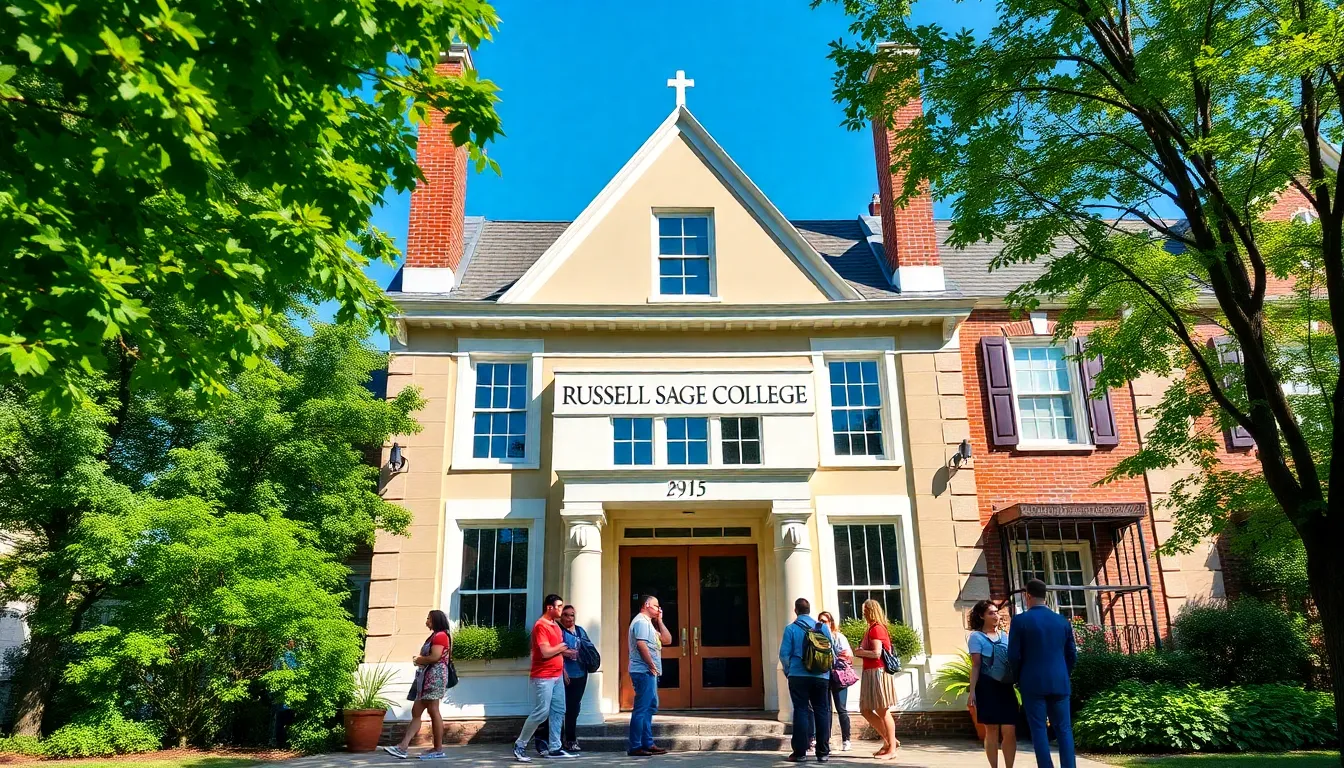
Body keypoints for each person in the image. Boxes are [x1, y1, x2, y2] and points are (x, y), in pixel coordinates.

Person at [1007, 579, 1077, 768]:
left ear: (1027, 595)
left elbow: (1013, 655)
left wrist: (1017, 677)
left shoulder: (1020, 621)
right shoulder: (1062, 621)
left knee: (1038, 729)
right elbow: (1072, 654)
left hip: (1032, 681)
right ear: (1045, 596)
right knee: (1064, 729)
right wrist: (1064, 673)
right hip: (1059, 681)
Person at [513, 595, 579, 762]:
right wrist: (563, 647)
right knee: (542, 712)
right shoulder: (541, 626)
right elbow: (545, 652)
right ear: (549, 608)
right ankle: (520, 745)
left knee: (559, 710)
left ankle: (555, 747)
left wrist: (563, 663)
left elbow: (555, 651)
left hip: (557, 675)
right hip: (543, 676)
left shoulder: (555, 626)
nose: (561, 610)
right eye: (558, 607)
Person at [383, 610, 452, 760]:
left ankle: (438, 749)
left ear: (435, 620)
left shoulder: (440, 636)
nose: (426, 622)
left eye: (428, 619)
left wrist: (419, 659)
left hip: (435, 678)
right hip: (426, 678)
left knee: (433, 710)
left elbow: (435, 657)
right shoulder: (434, 636)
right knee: (416, 711)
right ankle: (403, 746)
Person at [779, 598, 834, 763]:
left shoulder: (791, 629)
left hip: (798, 675)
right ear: (809, 610)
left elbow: (783, 654)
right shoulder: (822, 627)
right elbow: (832, 651)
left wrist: (789, 671)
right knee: (822, 711)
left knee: (801, 710)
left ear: (795, 610)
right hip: (820, 676)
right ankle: (823, 752)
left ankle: (800, 752)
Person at [534, 605, 591, 754]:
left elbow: (586, 648)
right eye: (566, 615)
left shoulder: (580, 631)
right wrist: (563, 669)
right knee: (554, 708)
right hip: (562, 675)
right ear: (561, 617)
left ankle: (570, 740)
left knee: (573, 709)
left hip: (580, 673)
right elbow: (553, 651)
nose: (569, 618)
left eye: (572, 615)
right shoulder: (557, 631)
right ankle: (547, 740)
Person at [967, 600, 1018, 768]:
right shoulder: (976, 637)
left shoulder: (1005, 636)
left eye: (996, 612)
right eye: (991, 613)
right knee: (992, 730)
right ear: (981, 616)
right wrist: (972, 691)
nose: (996, 615)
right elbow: (976, 665)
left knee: (1010, 730)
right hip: (987, 687)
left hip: (1005, 687)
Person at [852, 599, 899, 760]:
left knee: (883, 710)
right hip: (870, 672)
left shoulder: (877, 629)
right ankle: (889, 741)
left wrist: (859, 652)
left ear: (871, 611)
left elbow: (876, 653)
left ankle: (892, 747)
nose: (863, 613)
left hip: (878, 672)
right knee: (865, 709)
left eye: (865, 610)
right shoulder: (871, 628)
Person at [627, 595, 673, 757]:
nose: (659, 609)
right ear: (646, 605)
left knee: (649, 707)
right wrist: (651, 665)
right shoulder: (640, 622)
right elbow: (641, 645)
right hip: (643, 671)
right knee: (641, 709)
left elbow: (667, 639)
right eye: (656, 605)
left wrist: (659, 621)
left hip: (649, 672)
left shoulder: (649, 624)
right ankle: (636, 746)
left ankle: (648, 743)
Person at [817, 611, 853, 753]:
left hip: (838, 675)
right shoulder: (818, 638)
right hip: (824, 676)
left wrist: (839, 655)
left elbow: (848, 654)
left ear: (831, 623)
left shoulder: (839, 637)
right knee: (826, 710)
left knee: (841, 709)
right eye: (820, 621)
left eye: (825, 621)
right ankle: (826, 740)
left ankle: (846, 739)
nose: (822, 623)